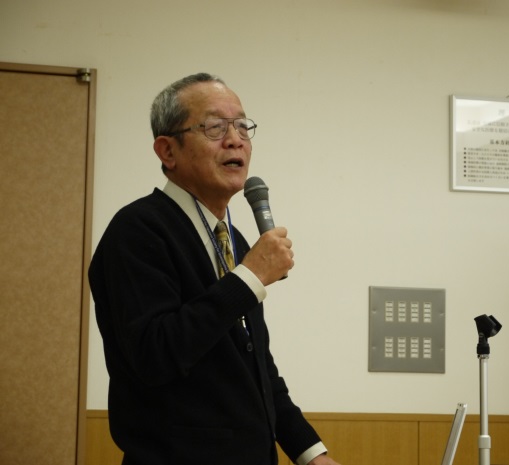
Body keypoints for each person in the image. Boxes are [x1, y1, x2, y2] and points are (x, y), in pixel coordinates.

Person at [89, 73, 342, 465]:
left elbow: (257, 368)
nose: (235, 139)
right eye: (215, 127)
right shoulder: (138, 229)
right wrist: (249, 277)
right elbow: (155, 354)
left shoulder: (234, 240)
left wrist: (311, 453)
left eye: (242, 126)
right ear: (167, 151)